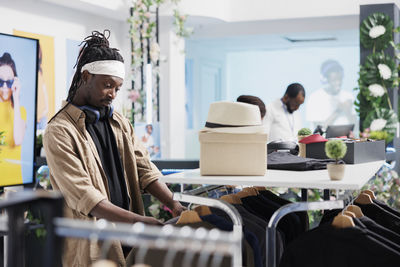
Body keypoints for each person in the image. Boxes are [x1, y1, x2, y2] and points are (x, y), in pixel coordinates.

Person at [43, 31, 185, 266]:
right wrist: (137, 221)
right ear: (86, 76)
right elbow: (85, 197)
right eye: (107, 85)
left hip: (131, 240)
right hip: (94, 245)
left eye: (117, 88)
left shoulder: (119, 121)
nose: (113, 94)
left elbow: (144, 169)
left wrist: (174, 203)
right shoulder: (59, 131)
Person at [0, 52, 26, 185]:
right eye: (0, 81)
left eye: (9, 81)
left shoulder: (20, 111)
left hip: (14, 183)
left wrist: (16, 98)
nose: (5, 87)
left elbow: (18, 139)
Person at [306, 59, 356, 129]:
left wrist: (348, 111)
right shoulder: (315, 98)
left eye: (340, 79)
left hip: (347, 139)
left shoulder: (348, 96)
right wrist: (338, 111)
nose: (338, 83)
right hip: (324, 140)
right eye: (334, 80)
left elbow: (355, 127)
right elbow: (318, 130)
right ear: (324, 79)